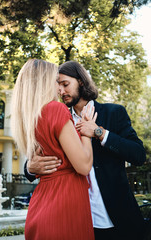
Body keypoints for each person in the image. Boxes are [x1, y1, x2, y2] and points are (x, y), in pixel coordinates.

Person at [24, 60, 146, 240]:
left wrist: (99, 132)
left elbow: (138, 155)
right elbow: (39, 157)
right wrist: (28, 168)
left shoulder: (114, 112)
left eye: (65, 84)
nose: (61, 91)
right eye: (57, 85)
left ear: (80, 81)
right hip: (77, 220)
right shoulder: (57, 116)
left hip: (118, 220)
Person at [11, 59, 95, 240]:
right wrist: (87, 131)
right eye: (55, 81)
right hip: (64, 205)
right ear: (44, 82)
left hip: (42, 203)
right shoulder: (55, 109)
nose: (59, 89)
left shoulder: (29, 118)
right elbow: (84, 166)